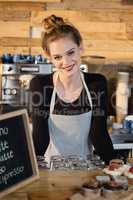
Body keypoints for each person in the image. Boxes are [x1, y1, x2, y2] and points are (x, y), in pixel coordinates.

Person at [30, 15, 115, 165]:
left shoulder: (96, 83)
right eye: (57, 57)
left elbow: (99, 134)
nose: (66, 62)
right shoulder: (41, 85)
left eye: (70, 53)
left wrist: (114, 165)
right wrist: (26, 169)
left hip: (85, 170)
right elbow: (39, 138)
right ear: (49, 57)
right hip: (51, 170)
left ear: (80, 47)